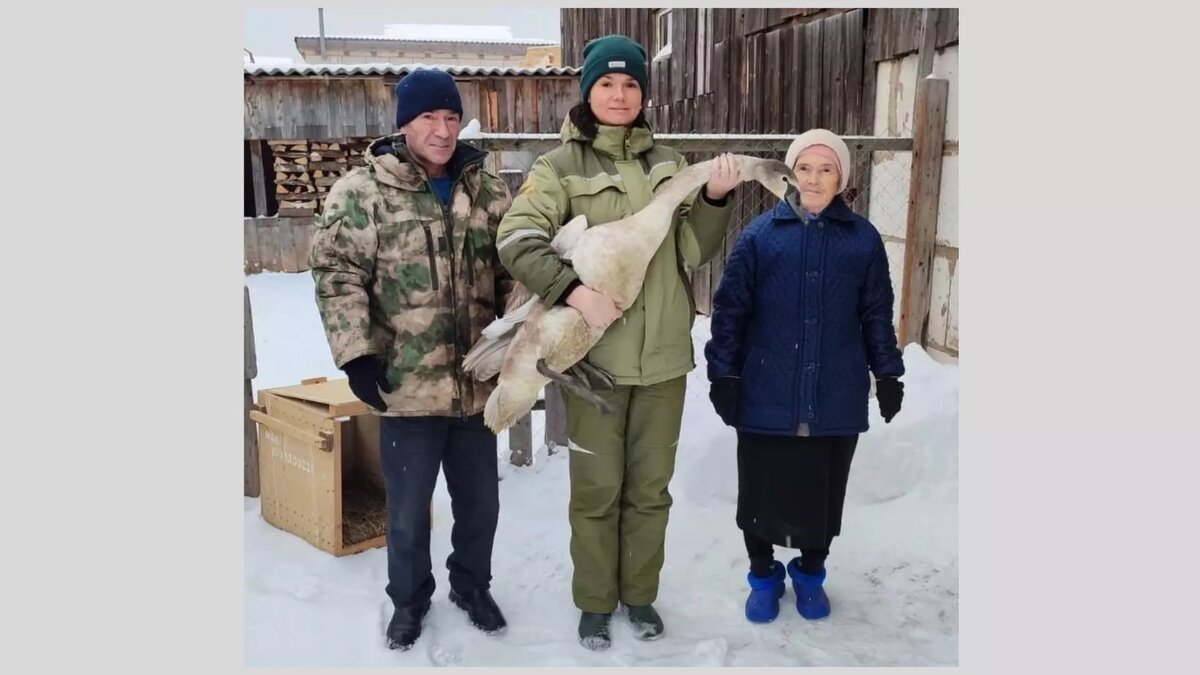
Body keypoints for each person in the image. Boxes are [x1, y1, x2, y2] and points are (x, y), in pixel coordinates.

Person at [494, 34, 743, 650]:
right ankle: (595, 602)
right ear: (588, 92)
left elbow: (692, 250)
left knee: (651, 491)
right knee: (598, 490)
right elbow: (516, 239)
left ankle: (640, 596)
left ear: (643, 92)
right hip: (594, 363)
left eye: (630, 83)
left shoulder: (669, 163)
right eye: (606, 83)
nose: (619, 93)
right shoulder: (560, 168)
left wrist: (713, 199)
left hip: (661, 359)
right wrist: (574, 292)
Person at [309, 68, 516, 651]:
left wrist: (514, 343)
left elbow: (514, 273)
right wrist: (357, 357)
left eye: (451, 117)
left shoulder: (488, 190)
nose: (443, 130)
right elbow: (337, 274)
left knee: (481, 505)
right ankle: (408, 599)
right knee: (406, 512)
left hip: (476, 381)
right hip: (405, 385)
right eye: (430, 117)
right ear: (404, 123)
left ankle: (472, 586)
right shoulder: (362, 192)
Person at [704, 128, 905, 624]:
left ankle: (810, 574)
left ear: (842, 178)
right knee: (759, 498)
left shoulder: (862, 240)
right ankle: (763, 576)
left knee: (823, 499)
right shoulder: (760, 236)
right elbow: (730, 311)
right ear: (790, 174)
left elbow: (877, 313)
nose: (814, 179)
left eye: (827, 169)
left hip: (834, 394)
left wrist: (888, 373)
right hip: (765, 392)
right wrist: (724, 375)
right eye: (805, 168)